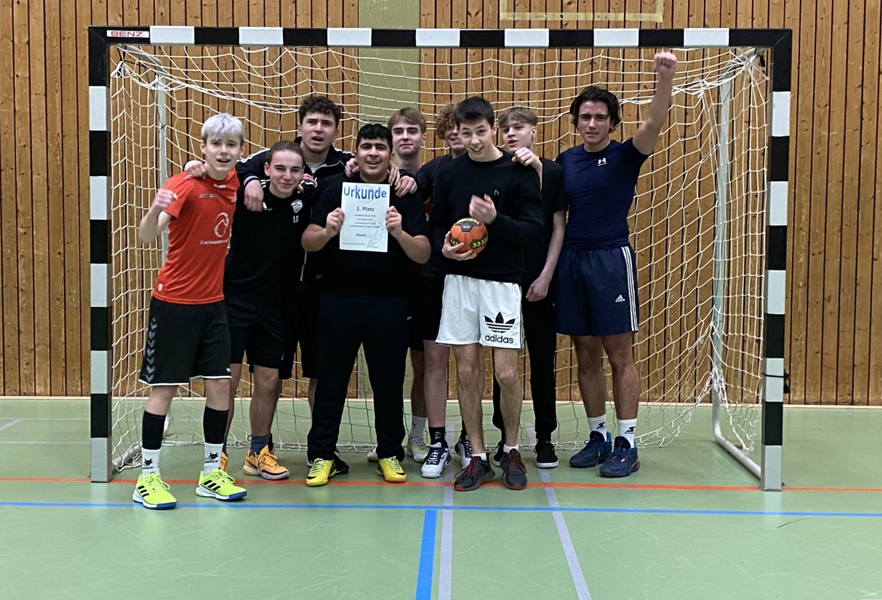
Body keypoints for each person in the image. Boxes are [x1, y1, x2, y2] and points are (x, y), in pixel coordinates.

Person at [556, 52, 678, 477]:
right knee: (585, 354)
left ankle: (626, 441)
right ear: (576, 121)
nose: (591, 124)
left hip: (610, 259)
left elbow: (655, 121)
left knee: (619, 354)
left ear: (612, 123)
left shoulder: (627, 154)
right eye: (585, 117)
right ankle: (598, 436)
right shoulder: (565, 161)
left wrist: (665, 78)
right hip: (572, 260)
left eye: (600, 117)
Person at [302, 124, 431, 487]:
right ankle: (323, 455)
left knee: (388, 383)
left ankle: (389, 452)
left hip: (390, 302)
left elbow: (423, 252)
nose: (373, 153)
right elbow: (308, 240)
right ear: (355, 153)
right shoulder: (334, 189)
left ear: (390, 155)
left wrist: (399, 232)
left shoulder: (404, 194)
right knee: (330, 382)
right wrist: (327, 230)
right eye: (366, 147)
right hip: (337, 300)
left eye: (380, 147)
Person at [132, 113, 247, 510]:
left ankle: (211, 473)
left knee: (221, 386)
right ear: (203, 147)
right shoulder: (183, 184)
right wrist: (154, 209)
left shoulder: (234, 180)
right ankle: (147, 478)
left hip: (213, 305)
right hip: (174, 304)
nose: (223, 151)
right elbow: (147, 234)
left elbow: (266, 162)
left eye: (230, 145)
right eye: (216, 144)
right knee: (164, 389)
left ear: (239, 150)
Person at [431, 97, 543, 492]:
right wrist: (444, 249)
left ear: (493, 128)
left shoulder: (518, 171)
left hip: (501, 284)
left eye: (481, 132)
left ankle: (510, 449)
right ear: (457, 133)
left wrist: (496, 220)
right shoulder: (449, 173)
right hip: (460, 282)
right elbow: (437, 224)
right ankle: (477, 457)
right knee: (465, 371)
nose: (475, 140)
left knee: (506, 373)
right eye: (467, 133)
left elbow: (534, 230)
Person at [219, 141, 311, 480]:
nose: (287, 175)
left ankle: (258, 452)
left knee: (269, 381)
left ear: (303, 174)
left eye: (295, 170)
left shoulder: (307, 198)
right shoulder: (246, 194)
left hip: (276, 305)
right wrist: (247, 180)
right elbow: (222, 169)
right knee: (226, 381)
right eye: (280, 168)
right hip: (234, 300)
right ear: (267, 169)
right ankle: (216, 453)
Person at [488, 107, 566, 469]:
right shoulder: (496, 170)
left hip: (539, 280)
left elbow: (557, 227)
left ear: (533, 131)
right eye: (505, 128)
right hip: (502, 279)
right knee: (501, 363)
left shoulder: (552, 171)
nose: (510, 133)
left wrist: (546, 275)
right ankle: (505, 438)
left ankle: (545, 437)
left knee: (541, 359)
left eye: (518, 127)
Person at [414, 103, 470, 479]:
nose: (454, 132)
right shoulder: (431, 171)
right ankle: (437, 442)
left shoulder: (494, 169)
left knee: (470, 362)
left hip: (476, 278)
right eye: (448, 126)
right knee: (434, 359)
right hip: (435, 274)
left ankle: (469, 437)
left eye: (461, 126)